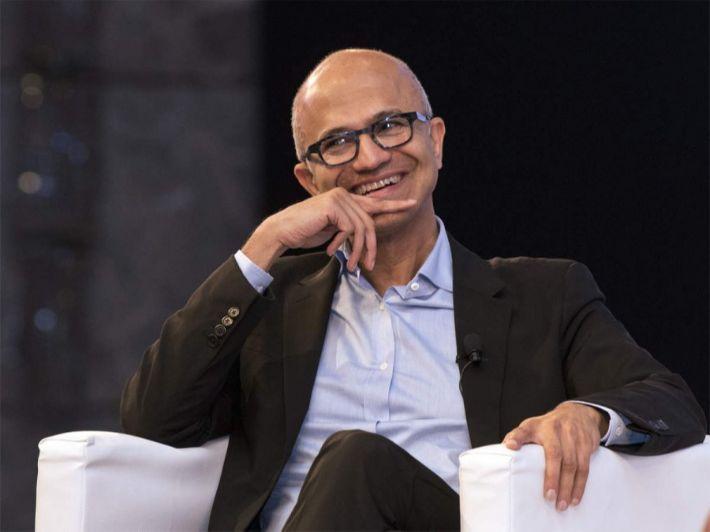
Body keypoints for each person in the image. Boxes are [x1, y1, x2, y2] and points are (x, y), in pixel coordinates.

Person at [121, 48, 707, 531]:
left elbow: (671, 403)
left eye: (389, 126)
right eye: (337, 142)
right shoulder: (269, 302)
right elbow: (152, 422)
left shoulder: (544, 295)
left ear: (436, 141)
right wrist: (264, 245)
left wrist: (589, 414)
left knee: (357, 461)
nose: (371, 157)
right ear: (309, 180)